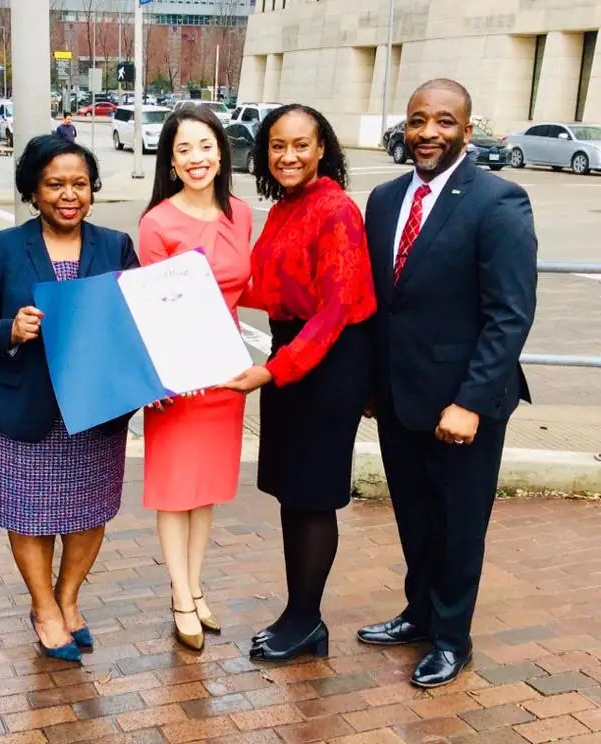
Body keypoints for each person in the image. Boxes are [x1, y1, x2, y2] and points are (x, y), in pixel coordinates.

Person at [357, 79, 537, 688]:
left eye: (443, 121)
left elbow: (509, 314)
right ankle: (419, 613)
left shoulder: (498, 201)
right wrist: (371, 386)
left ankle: (452, 638)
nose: (428, 133)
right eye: (417, 121)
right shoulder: (383, 200)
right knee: (413, 515)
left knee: (458, 524)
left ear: (466, 127)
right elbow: (383, 304)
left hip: (466, 404)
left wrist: (469, 402)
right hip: (399, 397)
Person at [0, 135, 137, 662]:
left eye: (79, 184)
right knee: (29, 512)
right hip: (24, 406)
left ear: (92, 190)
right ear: (33, 192)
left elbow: (133, 324)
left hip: (93, 408)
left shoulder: (115, 245)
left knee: (88, 510)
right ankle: (43, 607)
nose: (68, 195)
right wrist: (8, 331)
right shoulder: (3, 248)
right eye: (55, 184)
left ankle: (68, 599)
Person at [221, 105, 376, 662]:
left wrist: (272, 370)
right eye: (277, 146)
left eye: (301, 145)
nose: (288, 156)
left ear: (322, 149)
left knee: (313, 497)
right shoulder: (287, 206)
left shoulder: (335, 210)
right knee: (293, 494)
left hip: (326, 362)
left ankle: (307, 620)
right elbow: (274, 288)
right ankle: (298, 612)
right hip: (293, 352)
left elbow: (334, 312)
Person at [138, 105, 252, 652]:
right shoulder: (157, 222)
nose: (196, 158)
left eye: (205, 145)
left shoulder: (241, 213)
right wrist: (159, 379)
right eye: (183, 149)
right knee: (174, 491)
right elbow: (147, 308)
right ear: (171, 160)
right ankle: (180, 595)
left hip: (226, 372)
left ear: (221, 150)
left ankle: (196, 587)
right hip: (176, 376)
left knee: (204, 490)